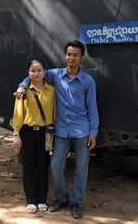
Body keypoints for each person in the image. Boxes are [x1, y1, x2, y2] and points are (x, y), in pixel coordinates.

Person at [15, 40, 99, 219]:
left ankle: (76, 203)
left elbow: (92, 108)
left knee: (81, 168)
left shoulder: (87, 81)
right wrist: (22, 85)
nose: (71, 58)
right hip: (61, 131)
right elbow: (35, 74)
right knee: (55, 166)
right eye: (69, 54)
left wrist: (93, 132)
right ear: (65, 56)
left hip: (82, 131)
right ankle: (60, 198)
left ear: (81, 58)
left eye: (75, 55)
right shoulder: (55, 75)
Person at [12, 60, 56, 213]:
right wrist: (16, 134)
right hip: (27, 132)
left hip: (45, 132)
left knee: (43, 167)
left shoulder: (52, 90)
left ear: (45, 72)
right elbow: (18, 113)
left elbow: (55, 112)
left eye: (39, 70)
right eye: (32, 71)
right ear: (28, 72)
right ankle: (31, 200)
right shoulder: (23, 91)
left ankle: (42, 199)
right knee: (29, 167)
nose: (36, 74)